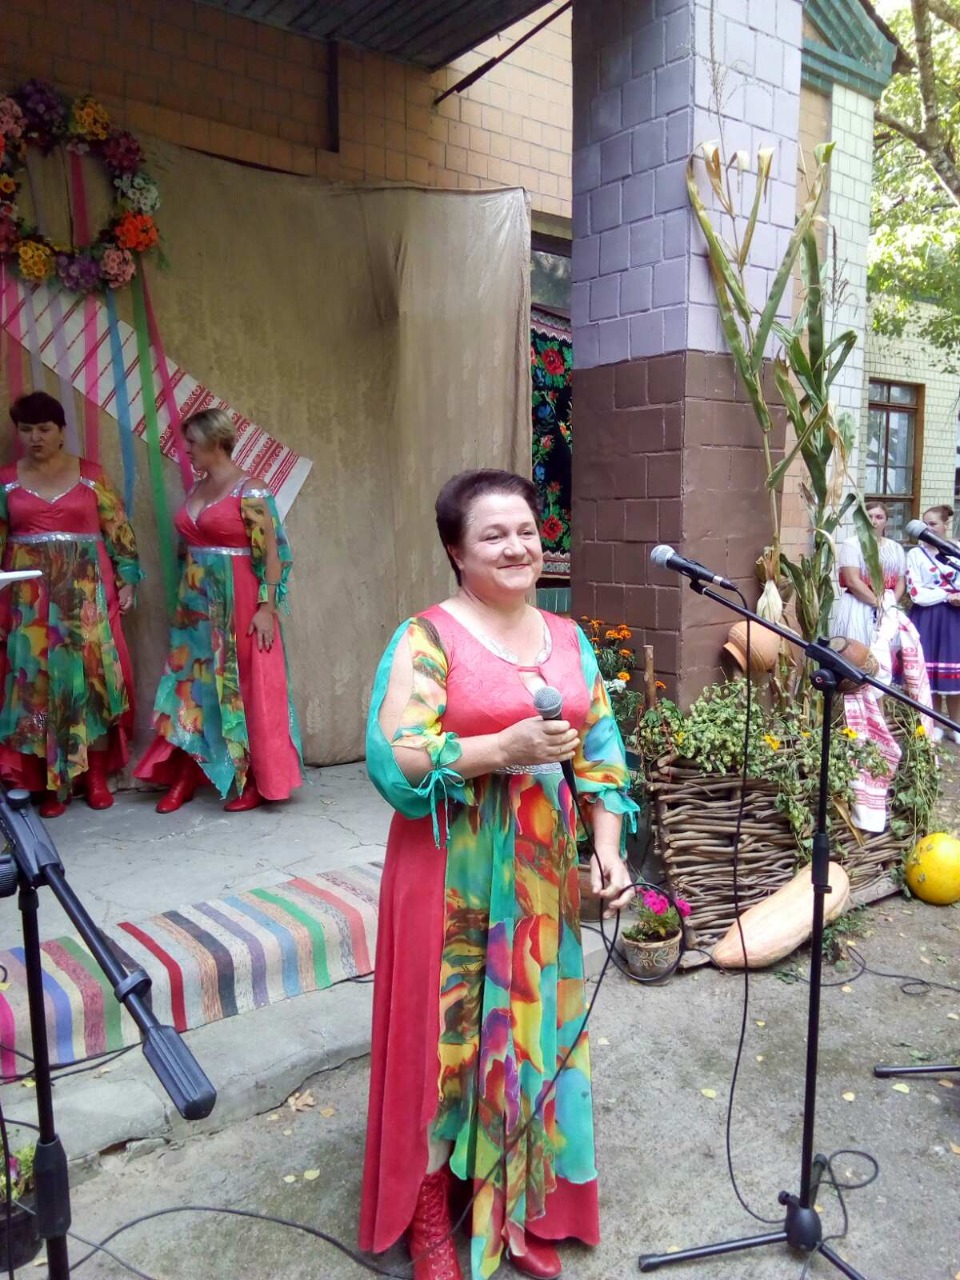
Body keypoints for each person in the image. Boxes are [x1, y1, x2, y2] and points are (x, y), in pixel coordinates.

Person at [359, 469, 639, 1280]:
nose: (517, 547)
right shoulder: (427, 637)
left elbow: (601, 754)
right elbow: (397, 758)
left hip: (540, 875)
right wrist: (499, 750)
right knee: (446, 1041)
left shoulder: (568, 637)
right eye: (493, 535)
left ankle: (514, 1204)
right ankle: (427, 1215)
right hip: (448, 869)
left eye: (526, 531)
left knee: (526, 1030)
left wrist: (608, 847)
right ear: (456, 550)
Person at [135, 408, 303, 813]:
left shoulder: (252, 491)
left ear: (214, 442)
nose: (186, 450)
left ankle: (253, 778)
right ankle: (187, 773)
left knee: (242, 687)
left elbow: (273, 556)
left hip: (239, 602)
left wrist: (266, 608)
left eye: (192, 442)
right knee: (191, 686)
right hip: (194, 608)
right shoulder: (198, 487)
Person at [0, 391, 141, 816]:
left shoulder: (92, 476)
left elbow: (119, 531)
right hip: (28, 605)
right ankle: (49, 784)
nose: (35, 437)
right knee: (37, 689)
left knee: (93, 682)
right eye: (26, 429)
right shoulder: (5, 481)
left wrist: (128, 579)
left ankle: (94, 776)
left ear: (62, 431)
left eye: (44, 429)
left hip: (88, 599)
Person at [905, 504, 960, 742]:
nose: (928, 528)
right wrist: (947, 595)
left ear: (946, 525)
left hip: (955, 618)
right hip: (928, 617)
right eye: (925, 524)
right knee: (932, 673)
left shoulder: (957, 550)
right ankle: (935, 723)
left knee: (954, 673)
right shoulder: (915, 555)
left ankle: (956, 724)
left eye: (933, 524)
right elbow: (916, 593)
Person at [830, 501, 906, 646]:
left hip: (888, 605)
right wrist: (878, 603)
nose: (873, 521)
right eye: (869, 516)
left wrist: (889, 605)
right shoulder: (852, 545)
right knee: (857, 648)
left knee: (885, 648)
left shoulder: (896, 548)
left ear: (886, 521)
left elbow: (900, 581)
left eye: (879, 517)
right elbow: (852, 581)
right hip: (858, 604)